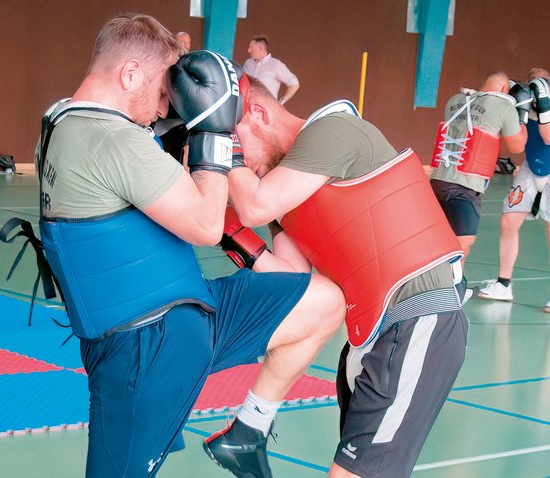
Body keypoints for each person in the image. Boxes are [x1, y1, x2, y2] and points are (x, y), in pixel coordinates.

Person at [19, 16, 346, 478]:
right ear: (129, 74)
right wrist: (210, 134)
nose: (162, 108)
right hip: (143, 355)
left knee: (323, 301)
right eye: (159, 94)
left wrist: (166, 132)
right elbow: (207, 224)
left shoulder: (61, 123)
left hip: (191, 316)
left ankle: (248, 431)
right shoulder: (114, 139)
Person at [203, 77, 469, 478]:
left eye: (233, 142)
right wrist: (229, 230)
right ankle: (252, 424)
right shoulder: (290, 194)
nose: (235, 168)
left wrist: (221, 150)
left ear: (257, 114)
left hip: (419, 322)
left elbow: (255, 205)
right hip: (370, 337)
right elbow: (292, 280)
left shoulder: (334, 130)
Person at [478, 67, 550, 313]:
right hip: (532, 166)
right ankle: (503, 284)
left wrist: (545, 103)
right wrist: (519, 109)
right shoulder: (530, 100)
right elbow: (521, 139)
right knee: (508, 222)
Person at [430, 72, 528, 264]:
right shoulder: (503, 107)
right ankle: (451, 290)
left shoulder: (455, 101)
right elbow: (517, 146)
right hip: (465, 186)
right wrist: (521, 116)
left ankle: (456, 287)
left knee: (441, 241)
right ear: (504, 89)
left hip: (437, 181)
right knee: (461, 245)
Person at [243, 35, 299, 105]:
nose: (249, 50)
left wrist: (281, 102)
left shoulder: (275, 65)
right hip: (247, 107)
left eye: (251, 47)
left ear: (260, 48)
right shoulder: (248, 63)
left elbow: (294, 84)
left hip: (267, 110)